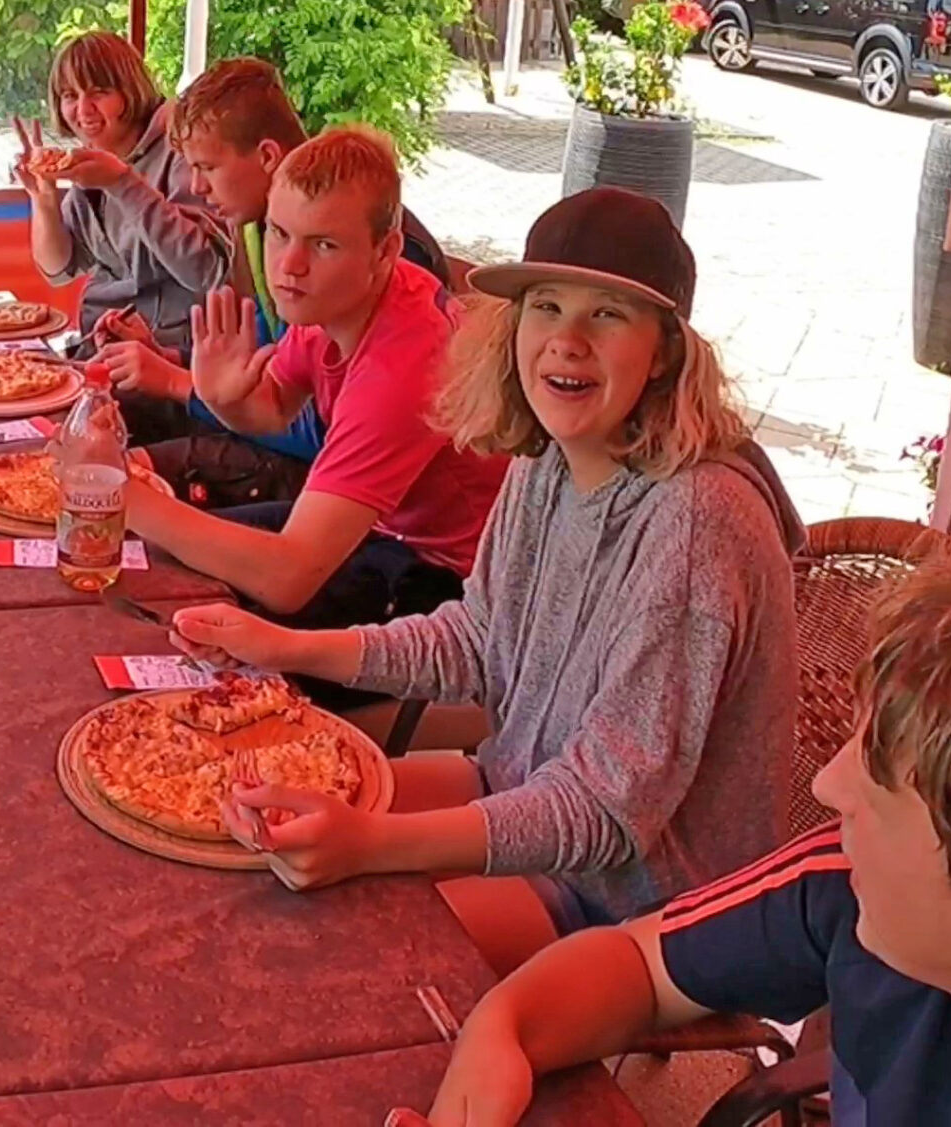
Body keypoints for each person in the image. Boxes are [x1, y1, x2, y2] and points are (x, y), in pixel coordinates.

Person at [170, 186, 798, 949]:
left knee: (331, 940)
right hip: (523, 791)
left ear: (665, 350)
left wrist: (371, 845)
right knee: (236, 816)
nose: (567, 341)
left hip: (651, 903)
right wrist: (283, 645)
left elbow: (604, 812)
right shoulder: (549, 457)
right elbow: (477, 637)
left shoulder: (695, 522)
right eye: (546, 307)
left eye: (607, 314)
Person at [407, 550, 951, 1127]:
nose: (827, 786)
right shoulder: (848, 886)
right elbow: (640, 963)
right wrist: (501, 1033)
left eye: (877, 783)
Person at [126, 125, 505, 630]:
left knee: (182, 602)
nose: (289, 266)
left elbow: (287, 580)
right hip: (373, 530)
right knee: (160, 560)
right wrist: (221, 397)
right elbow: (274, 407)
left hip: (442, 579)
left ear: (385, 251)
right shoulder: (332, 298)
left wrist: (125, 498)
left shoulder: (403, 367)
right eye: (279, 233)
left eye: (323, 244)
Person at [104, 58, 453, 508]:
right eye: (281, 235)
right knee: (116, 415)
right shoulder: (255, 226)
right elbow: (266, 365)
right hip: (291, 440)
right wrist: (173, 358)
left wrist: (176, 382)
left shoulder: (384, 258)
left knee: (124, 479)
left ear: (268, 157)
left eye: (207, 167)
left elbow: (325, 426)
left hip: (364, 497)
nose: (197, 186)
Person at [14, 30, 226, 354]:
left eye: (98, 93)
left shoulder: (182, 147)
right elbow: (58, 271)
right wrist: (44, 200)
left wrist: (121, 183)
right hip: (100, 346)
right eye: (69, 95)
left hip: (180, 356)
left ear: (131, 89)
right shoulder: (95, 158)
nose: (83, 110)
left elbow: (207, 271)